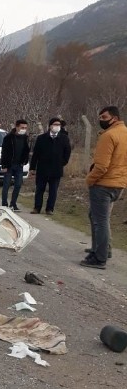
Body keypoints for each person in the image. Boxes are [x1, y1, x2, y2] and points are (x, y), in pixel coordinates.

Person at [81, 105, 127, 268]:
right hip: (118, 184)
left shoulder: (109, 136)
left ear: (114, 117)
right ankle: (102, 249)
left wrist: (89, 180)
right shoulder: (124, 133)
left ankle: (99, 258)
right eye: (100, 117)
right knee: (98, 217)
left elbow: (101, 166)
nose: (101, 120)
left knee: (100, 220)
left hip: (103, 184)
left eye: (104, 117)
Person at [29, 117, 71, 214]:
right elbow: (36, 154)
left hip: (56, 169)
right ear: (50, 126)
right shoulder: (41, 138)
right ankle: (37, 207)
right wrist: (32, 167)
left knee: (53, 191)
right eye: (55, 124)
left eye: (58, 125)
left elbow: (67, 152)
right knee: (39, 189)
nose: (57, 127)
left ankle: (49, 209)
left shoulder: (64, 138)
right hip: (42, 168)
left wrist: (62, 162)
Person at [0, 119, 30, 210]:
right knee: (6, 185)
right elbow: (4, 152)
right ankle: (4, 204)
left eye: (25, 128)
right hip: (9, 165)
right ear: (17, 127)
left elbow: (27, 151)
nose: (24, 129)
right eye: (22, 127)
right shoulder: (8, 137)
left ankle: (13, 204)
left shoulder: (25, 138)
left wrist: (25, 161)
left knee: (18, 185)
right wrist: (4, 165)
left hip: (19, 166)